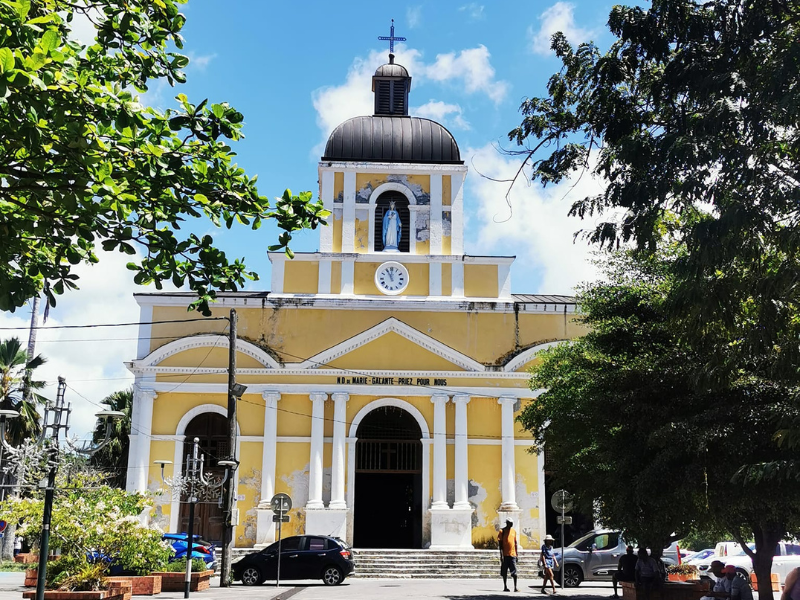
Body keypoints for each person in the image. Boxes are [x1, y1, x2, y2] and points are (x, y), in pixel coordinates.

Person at [498, 518, 521, 592]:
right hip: (505, 555)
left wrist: (516, 554)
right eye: (510, 523)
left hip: (513, 554)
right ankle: (505, 586)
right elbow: (500, 545)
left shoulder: (513, 531)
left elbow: (515, 543)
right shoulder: (502, 531)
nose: (511, 524)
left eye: (512, 523)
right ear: (507, 523)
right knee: (504, 572)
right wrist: (501, 555)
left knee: (514, 573)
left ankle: (515, 587)